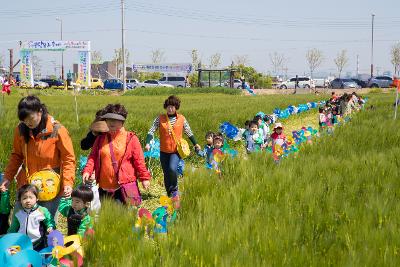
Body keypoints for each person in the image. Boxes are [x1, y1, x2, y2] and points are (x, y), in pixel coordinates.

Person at [0, 95, 76, 217]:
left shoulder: (57, 130)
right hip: (26, 186)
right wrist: (7, 178)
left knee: (45, 225)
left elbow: (68, 159)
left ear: (40, 111)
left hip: (50, 186)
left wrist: (68, 183)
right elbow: (16, 156)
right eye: (24, 119)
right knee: (21, 221)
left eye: (31, 118)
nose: (27, 122)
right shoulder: (20, 129)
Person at [82, 104, 151, 206]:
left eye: (115, 119)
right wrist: (87, 170)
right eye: (109, 119)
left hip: (124, 186)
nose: (111, 122)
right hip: (104, 186)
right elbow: (93, 156)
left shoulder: (131, 138)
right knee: (107, 217)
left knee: (123, 218)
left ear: (122, 121)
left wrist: (144, 178)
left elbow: (139, 161)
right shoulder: (100, 138)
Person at [145, 95, 201, 209]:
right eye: (169, 106)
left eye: (173, 106)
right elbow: (151, 131)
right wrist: (147, 142)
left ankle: (174, 190)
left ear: (176, 107)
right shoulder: (160, 118)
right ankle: (170, 195)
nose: (170, 109)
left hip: (176, 151)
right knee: (166, 173)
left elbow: (189, 132)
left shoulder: (181, 119)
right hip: (163, 151)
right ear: (166, 107)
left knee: (172, 169)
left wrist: (195, 143)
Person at [8, 185, 55, 251]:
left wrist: (50, 226)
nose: (28, 200)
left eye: (31, 197)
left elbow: (49, 221)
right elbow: (13, 227)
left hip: (38, 242)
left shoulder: (42, 211)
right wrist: (9, 236)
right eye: (24, 198)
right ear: (20, 200)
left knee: (37, 258)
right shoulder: (18, 213)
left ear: (37, 198)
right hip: (22, 242)